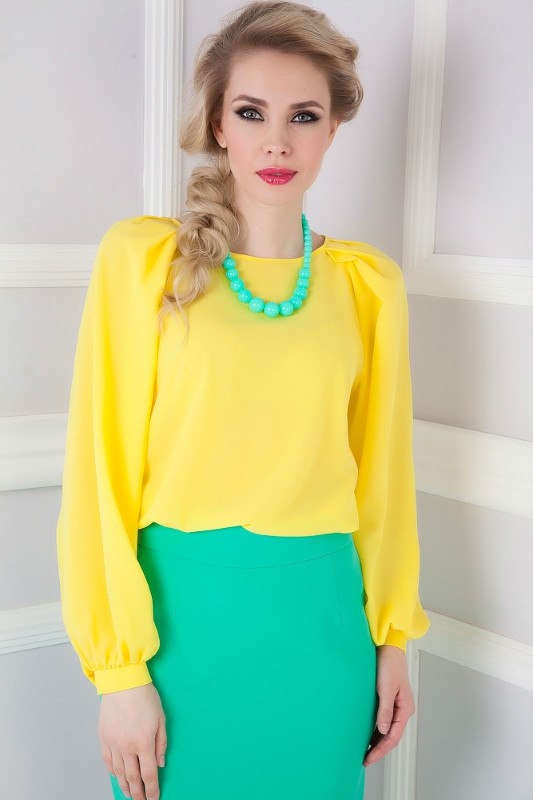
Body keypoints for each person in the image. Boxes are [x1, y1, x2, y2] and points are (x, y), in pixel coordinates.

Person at [56, 2, 431, 799]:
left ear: (333, 129)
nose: (277, 141)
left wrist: (392, 639)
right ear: (218, 123)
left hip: (323, 631)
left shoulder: (366, 286)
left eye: (304, 116)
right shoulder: (143, 261)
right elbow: (98, 475)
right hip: (180, 632)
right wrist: (119, 673)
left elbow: (384, 482)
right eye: (252, 112)